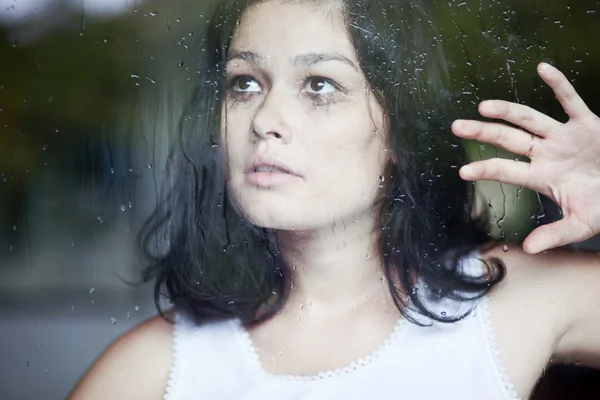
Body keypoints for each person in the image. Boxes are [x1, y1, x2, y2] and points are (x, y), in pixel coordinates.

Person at [67, 0, 600, 399]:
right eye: (245, 84)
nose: (265, 121)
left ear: (399, 131)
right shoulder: (153, 371)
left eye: (319, 85)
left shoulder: (513, 303)